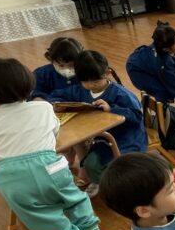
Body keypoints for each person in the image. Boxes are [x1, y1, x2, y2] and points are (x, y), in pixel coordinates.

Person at [0, 57, 120, 230]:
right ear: (28, 84)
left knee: (48, 222)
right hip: (49, 167)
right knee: (75, 199)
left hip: (11, 178)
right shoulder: (42, 108)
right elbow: (53, 134)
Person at [51, 50, 147, 190]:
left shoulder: (120, 93)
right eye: (85, 81)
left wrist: (112, 109)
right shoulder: (80, 91)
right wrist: (56, 105)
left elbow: (137, 116)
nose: (91, 85)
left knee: (114, 168)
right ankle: (105, 185)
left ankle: (118, 186)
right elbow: (55, 96)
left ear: (107, 73)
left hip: (128, 139)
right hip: (103, 140)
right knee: (91, 164)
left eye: (96, 80)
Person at [125, 22, 175, 122]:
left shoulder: (164, 44)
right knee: (162, 90)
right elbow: (172, 83)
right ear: (166, 49)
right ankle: (162, 117)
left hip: (146, 60)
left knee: (174, 71)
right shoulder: (164, 63)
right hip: (137, 70)